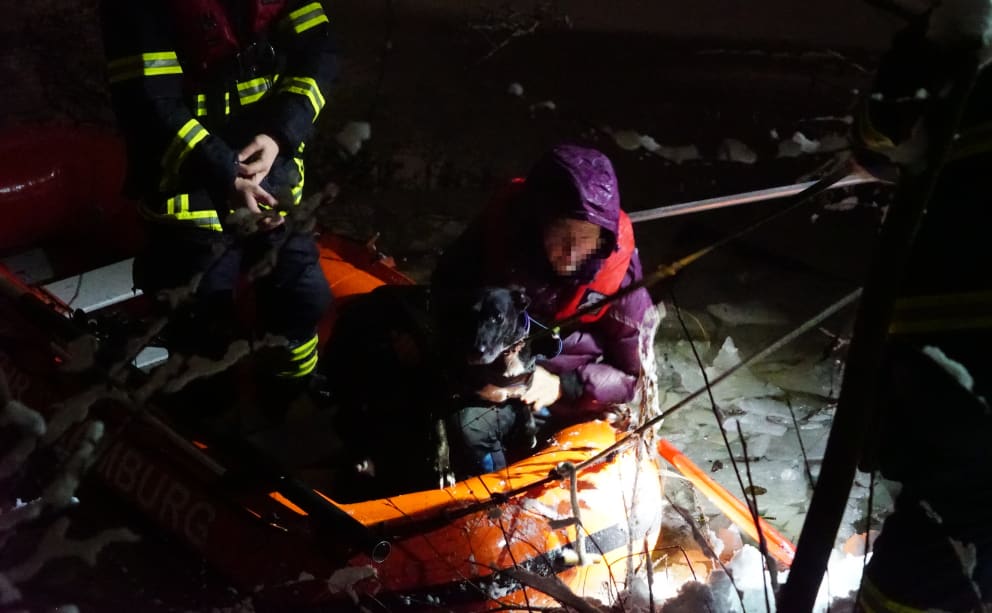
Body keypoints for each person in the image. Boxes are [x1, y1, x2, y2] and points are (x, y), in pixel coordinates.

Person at [100, 1, 336, 408]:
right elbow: (150, 103)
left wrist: (280, 134)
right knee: (202, 319)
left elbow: (320, 53)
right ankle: (204, 424)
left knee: (302, 297)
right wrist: (225, 173)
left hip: (270, 170)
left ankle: (288, 399)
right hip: (188, 187)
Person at [849, 11, 992, 611]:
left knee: (939, 520)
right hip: (939, 337)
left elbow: (881, 140)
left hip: (943, 334)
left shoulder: (954, 42)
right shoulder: (956, 40)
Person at [432, 144, 659, 475]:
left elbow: (633, 375)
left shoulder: (619, 282)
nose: (572, 251)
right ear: (537, 223)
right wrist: (479, 372)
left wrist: (563, 386)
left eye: (586, 238)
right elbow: (446, 296)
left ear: (602, 240)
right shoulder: (497, 240)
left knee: (472, 429)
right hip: (490, 379)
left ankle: (499, 491)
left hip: (566, 394)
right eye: (562, 233)